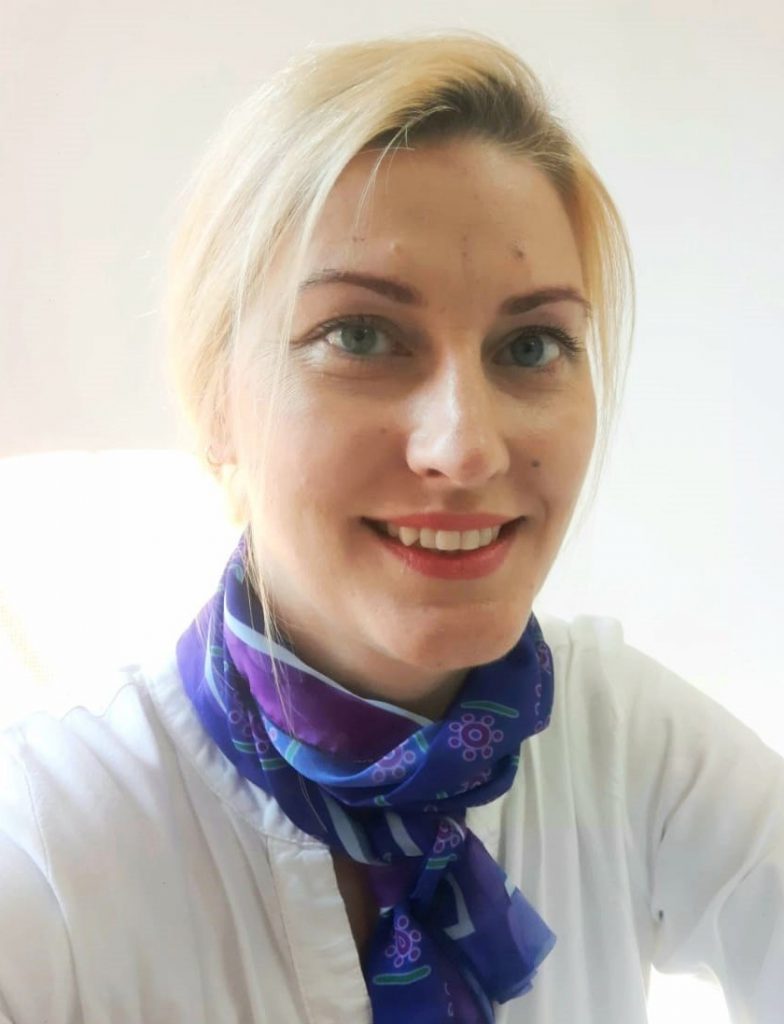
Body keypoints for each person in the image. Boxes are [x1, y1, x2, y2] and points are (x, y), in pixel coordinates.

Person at [1, 30, 782, 1024]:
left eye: (531, 345)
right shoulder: (48, 845)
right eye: (360, 335)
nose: (465, 447)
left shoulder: (622, 740)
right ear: (216, 399)